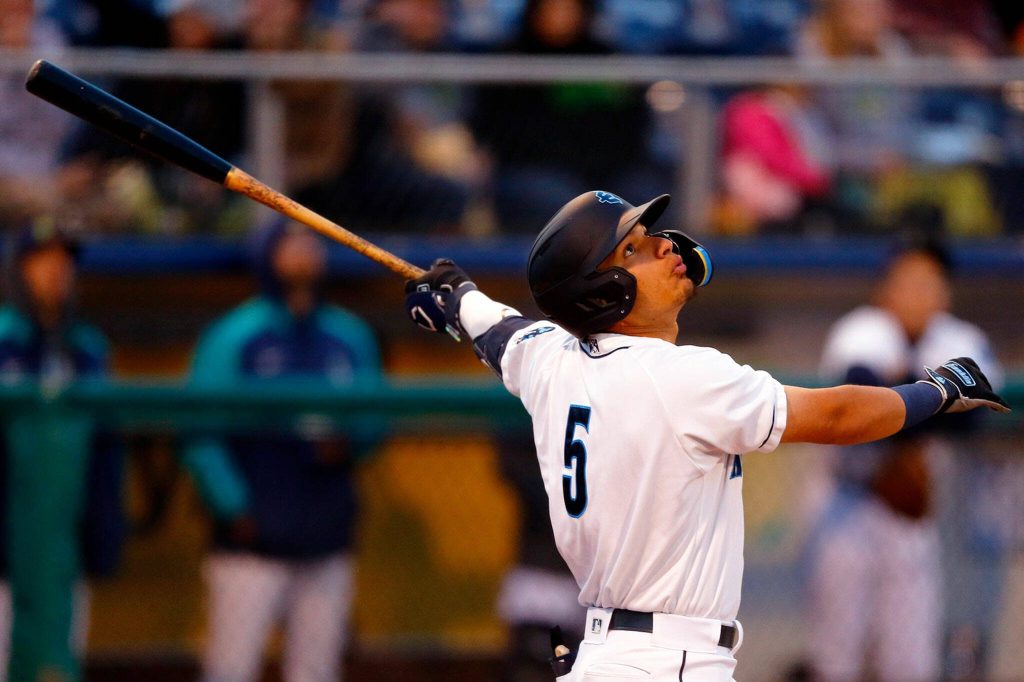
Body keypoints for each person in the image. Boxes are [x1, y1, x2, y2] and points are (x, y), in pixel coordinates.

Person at [401, 190, 1009, 680]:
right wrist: (938, 390)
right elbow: (837, 416)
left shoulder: (550, 359)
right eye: (636, 248)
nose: (667, 246)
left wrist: (457, 298)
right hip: (671, 662)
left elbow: (499, 330)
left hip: (608, 655)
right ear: (606, 289)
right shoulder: (684, 377)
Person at [182, 220, 383, 682]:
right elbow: (199, 431)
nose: (303, 253)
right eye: (289, 242)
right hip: (251, 538)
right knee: (232, 667)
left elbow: (375, 419)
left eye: (310, 241)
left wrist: (352, 442)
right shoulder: (235, 335)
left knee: (316, 670)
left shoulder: (348, 335)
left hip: (325, 530)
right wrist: (233, 506)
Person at [805, 238, 1004, 682]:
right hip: (849, 501)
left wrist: (903, 395)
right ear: (885, 291)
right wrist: (940, 396)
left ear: (945, 293)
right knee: (837, 654)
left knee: (910, 659)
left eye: (930, 283)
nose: (919, 293)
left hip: (914, 510)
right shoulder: (861, 329)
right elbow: (862, 383)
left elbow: (974, 417)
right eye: (908, 282)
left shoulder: (960, 337)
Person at [0, 219, 124, 679]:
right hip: (5, 550)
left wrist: (103, 531)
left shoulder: (87, 349)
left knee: (57, 669)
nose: (55, 271)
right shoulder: (3, 340)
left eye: (64, 261)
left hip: (63, 551)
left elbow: (106, 452)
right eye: (41, 260)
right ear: (18, 270)